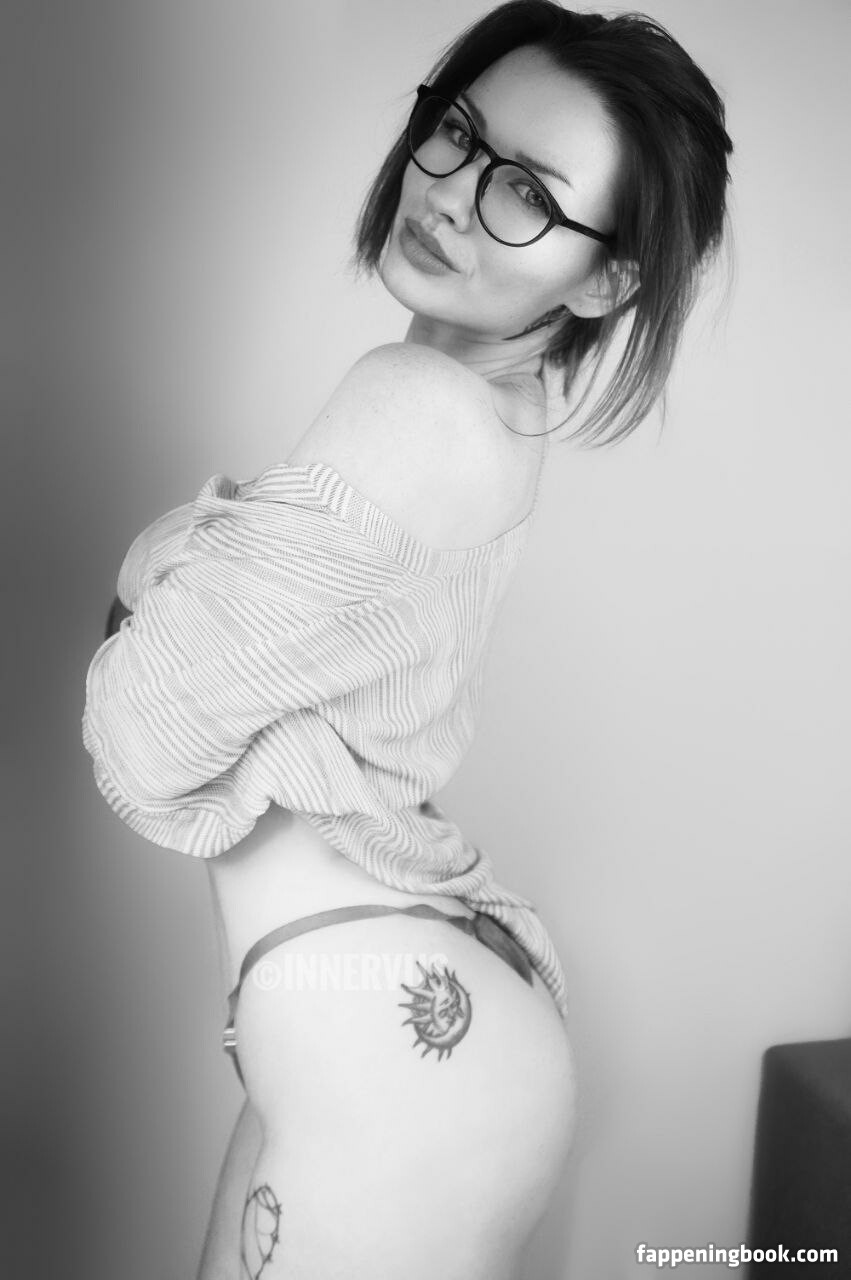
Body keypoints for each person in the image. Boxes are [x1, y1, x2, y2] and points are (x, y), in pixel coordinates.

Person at [82, 2, 733, 1276]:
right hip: (388, 1026)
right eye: (458, 133)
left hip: (387, 1056)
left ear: (605, 280)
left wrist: (159, 556)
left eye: (528, 193)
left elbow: (142, 733)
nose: (451, 194)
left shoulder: (414, 404)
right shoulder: (497, 405)